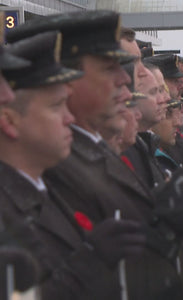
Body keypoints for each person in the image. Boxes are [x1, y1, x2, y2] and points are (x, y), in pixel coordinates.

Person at [0, 30, 146, 300]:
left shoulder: (42, 188)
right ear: (10, 121)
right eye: (57, 106)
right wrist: (87, 266)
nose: (69, 118)